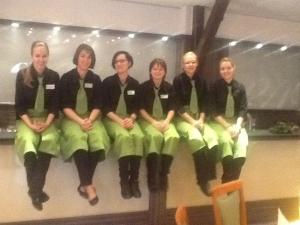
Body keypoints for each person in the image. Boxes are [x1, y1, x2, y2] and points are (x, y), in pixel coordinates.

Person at [60, 44, 110, 205]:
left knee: (98, 138)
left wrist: (90, 119)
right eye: (82, 55)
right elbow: (65, 106)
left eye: (89, 56)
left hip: (92, 117)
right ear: (77, 57)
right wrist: (81, 121)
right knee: (78, 140)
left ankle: (84, 184)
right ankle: (88, 185)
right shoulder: (66, 78)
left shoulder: (95, 79)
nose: (86, 59)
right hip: (71, 118)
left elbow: (98, 104)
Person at [15, 41, 60, 210]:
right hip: (27, 119)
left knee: (49, 141)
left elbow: (56, 105)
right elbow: (19, 106)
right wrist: (31, 125)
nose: (41, 59)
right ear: (32, 56)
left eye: (44, 56)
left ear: (48, 56)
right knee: (29, 144)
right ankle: (37, 191)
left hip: (47, 119)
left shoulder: (54, 77)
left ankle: (34, 191)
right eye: (37, 56)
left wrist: (47, 123)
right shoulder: (22, 75)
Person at [173, 51, 219, 196]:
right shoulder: (177, 81)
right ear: (183, 65)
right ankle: (202, 180)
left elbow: (206, 103)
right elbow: (178, 105)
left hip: (199, 118)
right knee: (196, 138)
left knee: (213, 138)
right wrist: (193, 122)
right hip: (183, 119)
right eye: (187, 62)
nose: (190, 65)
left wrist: (201, 119)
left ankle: (209, 177)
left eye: (193, 62)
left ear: (197, 63)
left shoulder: (202, 81)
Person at [102, 51, 144, 199]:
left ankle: (134, 180)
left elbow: (137, 108)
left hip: (129, 119)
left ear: (129, 63)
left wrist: (131, 119)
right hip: (112, 119)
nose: (119, 64)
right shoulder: (107, 82)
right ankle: (124, 182)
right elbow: (105, 107)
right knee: (123, 137)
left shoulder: (135, 84)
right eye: (116, 61)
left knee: (138, 136)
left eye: (122, 61)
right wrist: (120, 121)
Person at [138, 58, 179, 193]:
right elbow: (141, 109)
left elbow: (173, 107)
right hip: (148, 120)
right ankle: (152, 176)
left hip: (165, 120)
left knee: (173, 137)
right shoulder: (143, 87)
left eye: (160, 69)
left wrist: (167, 121)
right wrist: (153, 122)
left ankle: (163, 174)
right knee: (155, 137)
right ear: (150, 71)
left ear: (165, 72)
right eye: (155, 68)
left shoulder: (169, 88)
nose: (157, 71)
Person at [209, 57, 248, 183]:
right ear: (220, 71)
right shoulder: (214, 87)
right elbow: (213, 111)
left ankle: (231, 180)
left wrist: (237, 126)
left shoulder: (240, 87)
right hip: (219, 123)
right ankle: (228, 180)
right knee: (226, 141)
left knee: (241, 145)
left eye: (228, 68)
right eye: (222, 69)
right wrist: (227, 126)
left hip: (236, 123)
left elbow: (243, 109)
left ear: (233, 68)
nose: (226, 71)